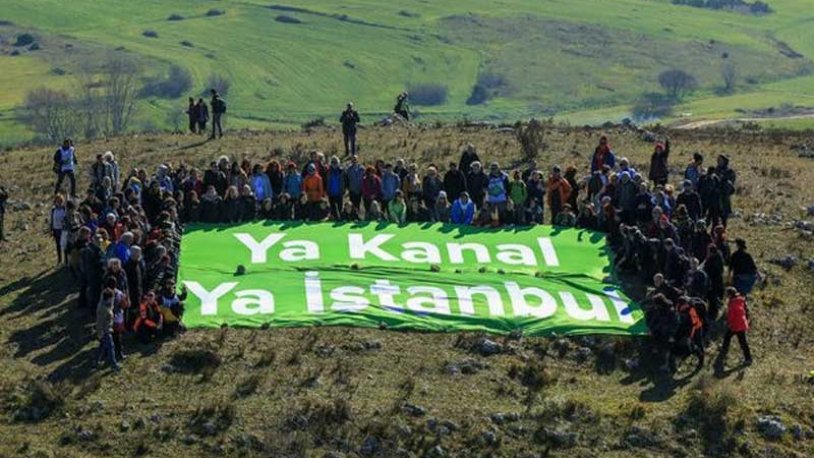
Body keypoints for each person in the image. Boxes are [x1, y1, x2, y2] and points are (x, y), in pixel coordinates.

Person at [716, 287, 753, 368]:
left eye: (727, 294)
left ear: (729, 295)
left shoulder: (732, 303)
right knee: (739, 340)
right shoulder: (741, 300)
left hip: (736, 325)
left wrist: (728, 322)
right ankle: (748, 358)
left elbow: (731, 316)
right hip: (742, 323)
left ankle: (724, 350)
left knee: (732, 338)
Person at [95, 288, 121, 371]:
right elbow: (99, 322)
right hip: (105, 331)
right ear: (109, 298)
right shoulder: (102, 309)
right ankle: (114, 365)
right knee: (110, 347)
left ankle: (96, 361)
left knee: (102, 347)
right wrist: (100, 334)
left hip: (107, 329)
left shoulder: (107, 304)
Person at [50, 194, 67, 265]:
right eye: (57, 201)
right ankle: (59, 260)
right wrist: (51, 229)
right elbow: (51, 220)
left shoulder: (64, 209)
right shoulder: (53, 210)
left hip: (63, 230)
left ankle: (66, 260)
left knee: (64, 245)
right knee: (58, 246)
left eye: (60, 201)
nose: (58, 202)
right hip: (56, 229)